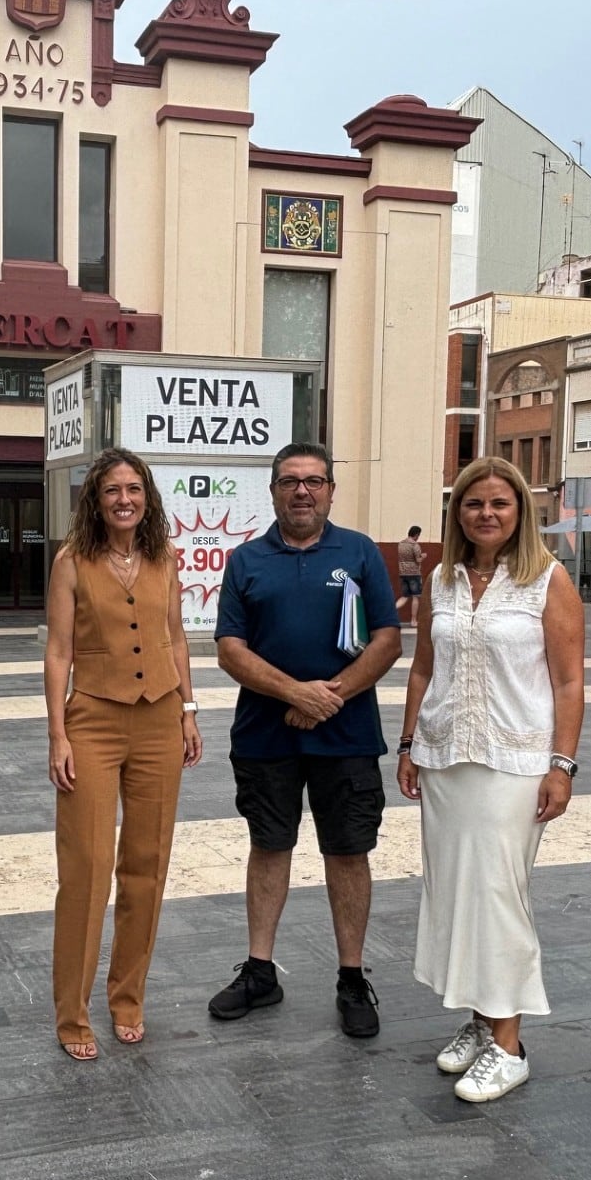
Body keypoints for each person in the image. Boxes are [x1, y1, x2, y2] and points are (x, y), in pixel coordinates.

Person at [396, 458, 584, 1103]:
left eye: (500, 503)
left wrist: (562, 765)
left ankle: (510, 1045)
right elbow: (423, 668)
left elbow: (568, 681)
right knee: (457, 894)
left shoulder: (548, 580)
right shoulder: (441, 577)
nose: (486, 514)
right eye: (474, 503)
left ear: (519, 511)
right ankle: (480, 1021)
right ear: (458, 513)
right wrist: (409, 743)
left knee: (500, 896)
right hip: (447, 757)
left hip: (516, 762)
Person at [206, 442, 402, 1037]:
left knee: (347, 852)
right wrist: (296, 694)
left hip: (346, 736)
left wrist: (328, 698)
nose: (302, 491)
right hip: (265, 737)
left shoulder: (361, 553)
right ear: (272, 490)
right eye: (290, 481)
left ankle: (351, 977)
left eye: (314, 481)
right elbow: (230, 650)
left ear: (331, 491)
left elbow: (388, 640)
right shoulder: (246, 561)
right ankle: (260, 971)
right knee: (270, 847)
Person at [45, 448, 203, 1060]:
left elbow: (176, 639)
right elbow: (59, 652)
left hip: (161, 718)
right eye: (112, 490)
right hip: (94, 721)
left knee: (147, 865)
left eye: (133, 489)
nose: (124, 500)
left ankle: (128, 999)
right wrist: (58, 734)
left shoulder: (164, 556)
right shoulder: (72, 562)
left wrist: (189, 711)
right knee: (85, 869)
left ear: (147, 497)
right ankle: (72, 1014)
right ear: (96, 498)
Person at [398, 524, 424, 627]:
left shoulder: (401, 544)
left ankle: (391, 610)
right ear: (416, 534)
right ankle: (413, 621)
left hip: (403, 572)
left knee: (404, 597)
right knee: (416, 597)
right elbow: (418, 560)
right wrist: (423, 556)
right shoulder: (415, 545)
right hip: (413, 573)